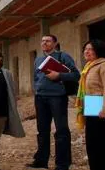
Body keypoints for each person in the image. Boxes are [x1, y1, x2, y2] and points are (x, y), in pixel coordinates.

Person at [27, 34, 80, 170]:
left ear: (55, 44)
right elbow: (36, 77)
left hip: (57, 97)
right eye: (43, 41)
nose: (44, 43)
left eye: (48, 41)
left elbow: (75, 75)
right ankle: (41, 161)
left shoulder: (63, 57)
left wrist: (59, 75)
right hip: (40, 98)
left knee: (61, 130)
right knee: (42, 130)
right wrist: (37, 89)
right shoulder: (38, 60)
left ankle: (62, 164)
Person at [75, 39, 105, 170]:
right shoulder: (88, 66)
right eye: (86, 49)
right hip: (92, 109)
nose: (87, 51)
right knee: (93, 145)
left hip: (104, 110)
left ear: (99, 50)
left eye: (91, 49)